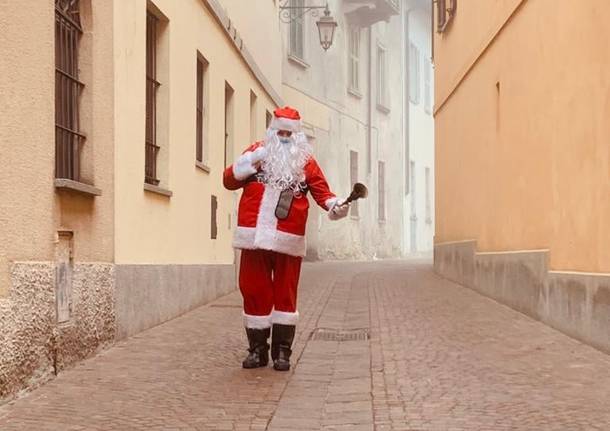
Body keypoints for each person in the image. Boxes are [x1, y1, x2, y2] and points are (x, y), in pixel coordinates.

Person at [223, 106, 349, 371]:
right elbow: (228, 181)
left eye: (288, 133)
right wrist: (247, 165)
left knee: (285, 293)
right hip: (254, 236)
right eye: (279, 131)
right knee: (253, 289)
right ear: (271, 130)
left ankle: (283, 352)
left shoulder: (307, 162)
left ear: (297, 135)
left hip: (288, 239)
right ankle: (258, 350)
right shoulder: (256, 153)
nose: (283, 137)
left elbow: (323, 194)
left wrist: (336, 206)